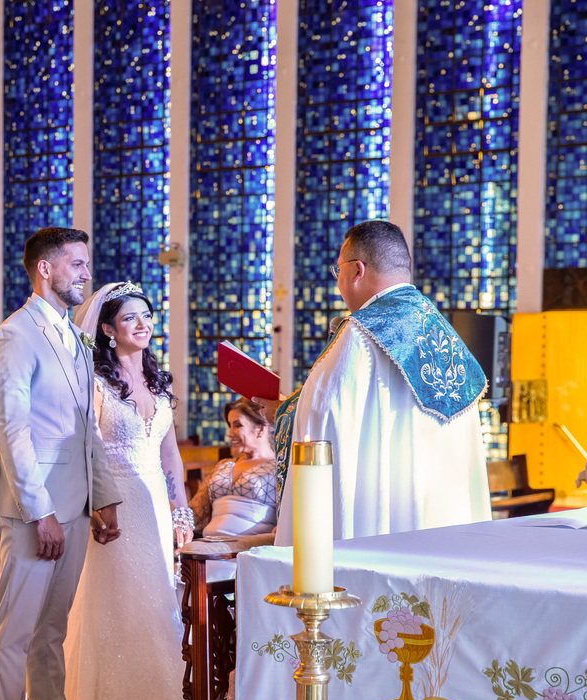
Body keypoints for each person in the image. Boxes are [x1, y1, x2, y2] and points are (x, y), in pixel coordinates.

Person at [0, 226, 123, 700]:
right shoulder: (14, 337)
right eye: (77, 264)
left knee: (50, 634)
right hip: (33, 509)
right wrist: (39, 511)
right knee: (15, 635)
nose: (86, 274)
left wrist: (104, 495)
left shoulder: (74, 337)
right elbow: (12, 430)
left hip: (78, 506)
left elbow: (86, 429)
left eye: (86, 264)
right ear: (45, 269)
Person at [270, 220, 491, 545]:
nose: (338, 281)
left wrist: (281, 412)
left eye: (338, 270)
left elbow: (322, 419)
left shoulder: (361, 333)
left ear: (357, 270)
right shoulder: (446, 335)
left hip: (379, 536)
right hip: (445, 534)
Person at [61, 281, 193, 700]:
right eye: (131, 318)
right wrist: (98, 503)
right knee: (116, 611)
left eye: (147, 315)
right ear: (109, 330)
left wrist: (181, 512)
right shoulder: (94, 383)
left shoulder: (160, 384)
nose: (144, 324)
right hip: (113, 509)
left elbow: (170, 455)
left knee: (158, 607)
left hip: (155, 508)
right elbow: (83, 449)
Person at [190, 399, 278, 538]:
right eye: (230, 425)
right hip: (208, 546)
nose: (229, 433)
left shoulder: (279, 468)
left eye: (237, 425)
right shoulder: (224, 465)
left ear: (261, 428)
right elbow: (196, 511)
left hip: (252, 547)